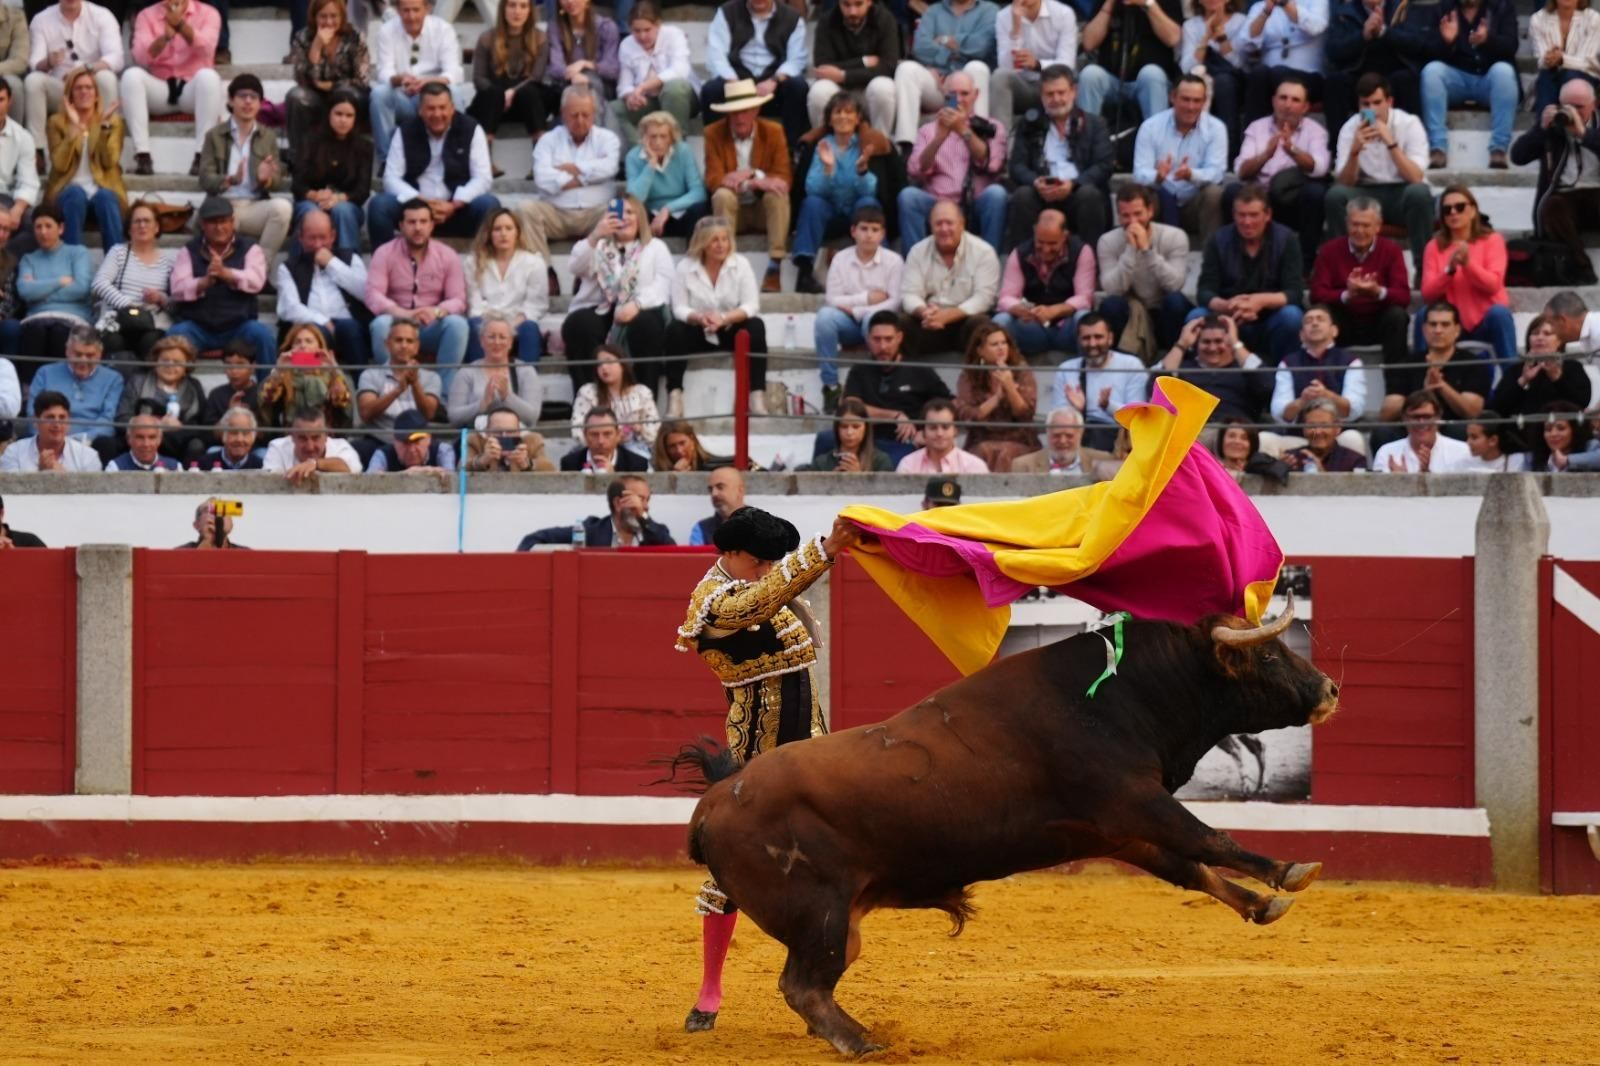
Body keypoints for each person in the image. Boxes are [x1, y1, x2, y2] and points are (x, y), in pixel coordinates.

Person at [673, 507, 862, 1034]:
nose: (767, 570)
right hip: (758, 749)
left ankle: (816, 988)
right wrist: (824, 551)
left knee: (835, 858)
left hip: (811, 742)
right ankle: (710, 991)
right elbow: (758, 600)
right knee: (732, 870)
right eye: (759, 561)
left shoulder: (762, 577)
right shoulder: (712, 600)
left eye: (772, 562)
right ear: (731, 553)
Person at [560, 195, 673, 396]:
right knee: (579, 324)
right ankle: (590, 400)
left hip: (640, 310)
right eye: (619, 213)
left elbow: (663, 284)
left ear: (640, 218)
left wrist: (637, 304)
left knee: (647, 325)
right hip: (602, 308)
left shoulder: (655, 247)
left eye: (630, 212)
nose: (624, 217)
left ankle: (643, 399)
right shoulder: (598, 245)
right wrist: (595, 236)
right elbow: (575, 267)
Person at [368, 83, 500, 249]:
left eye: (442, 108)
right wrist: (420, 201)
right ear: (420, 110)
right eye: (431, 108)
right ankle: (385, 262)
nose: (437, 114)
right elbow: (391, 179)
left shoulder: (471, 129)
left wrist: (455, 204)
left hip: (457, 210)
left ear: (452, 108)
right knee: (379, 205)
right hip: (414, 211)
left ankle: (485, 262)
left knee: (489, 204)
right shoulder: (405, 131)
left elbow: (483, 178)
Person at [1325, 72, 1432, 274]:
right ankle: (1341, 270)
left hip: (1401, 191)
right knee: (1335, 196)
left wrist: (1391, 143)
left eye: (1377, 103)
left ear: (1389, 102)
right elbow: (1344, 183)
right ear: (1359, 105)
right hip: (1365, 192)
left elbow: (1415, 177)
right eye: (1365, 104)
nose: (1371, 110)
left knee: (1419, 193)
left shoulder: (1409, 123)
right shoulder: (1350, 128)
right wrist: (1354, 152)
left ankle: (1424, 270)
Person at [1005, 64, 1115, 251]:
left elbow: (1104, 165)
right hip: (1042, 193)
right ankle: (1020, 262)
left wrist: (1073, 184)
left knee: (1089, 195)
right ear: (1041, 95)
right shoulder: (1029, 124)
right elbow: (1017, 166)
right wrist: (1035, 182)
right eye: (1050, 94)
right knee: (1022, 196)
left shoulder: (1095, 124)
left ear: (1073, 92)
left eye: (1061, 93)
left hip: (1078, 191)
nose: (1056, 99)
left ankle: (1090, 262)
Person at [668, 215, 768, 417]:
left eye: (725, 239)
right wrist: (699, 317)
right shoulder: (685, 267)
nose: (721, 245)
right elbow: (678, 307)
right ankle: (675, 395)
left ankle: (757, 394)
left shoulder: (741, 264)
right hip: (699, 329)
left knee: (756, 326)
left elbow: (751, 305)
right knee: (674, 330)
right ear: (702, 243)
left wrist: (724, 318)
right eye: (714, 240)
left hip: (730, 328)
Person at [520, 85, 622, 282]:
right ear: (563, 114)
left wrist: (571, 169)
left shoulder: (607, 139)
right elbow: (542, 179)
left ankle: (590, 275)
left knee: (617, 211)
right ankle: (544, 274)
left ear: (594, 114)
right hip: (556, 212)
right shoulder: (548, 140)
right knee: (525, 210)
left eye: (586, 115)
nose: (580, 120)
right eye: (574, 115)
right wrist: (589, 176)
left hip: (596, 212)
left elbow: (609, 168)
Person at [1228, 73, 1328, 272]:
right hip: (1260, 197)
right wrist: (1266, 155)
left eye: (1295, 100)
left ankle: (1305, 265)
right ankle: (1236, 263)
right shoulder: (1257, 127)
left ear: (1306, 107)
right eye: (1283, 98)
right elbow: (1241, 171)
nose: (1288, 105)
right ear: (1274, 101)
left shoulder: (1315, 131)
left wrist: (1293, 151)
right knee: (1231, 192)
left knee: (1315, 193)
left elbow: (1320, 168)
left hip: (1293, 200)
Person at [899, 69, 1008, 253]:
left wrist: (962, 130)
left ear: (976, 95)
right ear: (944, 94)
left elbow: (992, 164)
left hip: (975, 205)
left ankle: (991, 262)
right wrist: (939, 138)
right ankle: (914, 261)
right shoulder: (928, 130)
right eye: (953, 94)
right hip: (937, 205)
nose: (958, 99)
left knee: (997, 194)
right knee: (908, 196)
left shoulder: (992, 127)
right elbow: (915, 170)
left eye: (964, 93)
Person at [1193, 184, 1304, 362]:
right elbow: (1205, 291)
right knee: (1195, 317)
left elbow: (1294, 293)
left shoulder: (1286, 239)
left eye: (1253, 215)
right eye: (1241, 215)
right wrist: (1229, 305)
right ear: (1233, 215)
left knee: (1292, 316)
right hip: (1229, 316)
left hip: (1271, 317)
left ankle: (1284, 371)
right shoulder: (1218, 239)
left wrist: (1259, 301)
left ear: (1267, 215)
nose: (1247, 222)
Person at [365, 198, 469, 388]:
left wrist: (435, 311)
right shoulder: (384, 253)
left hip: (430, 324)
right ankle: (390, 388)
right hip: (397, 321)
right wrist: (405, 314)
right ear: (401, 226)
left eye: (423, 222)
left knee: (457, 325)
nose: (418, 228)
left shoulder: (447, 255)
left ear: (432, 225)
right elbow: (373, 295)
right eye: (412, 222)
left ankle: (444, 394)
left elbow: (458, 299)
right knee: (380, 325)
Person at [703, 79, 792, 295]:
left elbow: (783, 178)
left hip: (763, 210)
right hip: (732, 211)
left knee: (777, 194)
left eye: (744, 111)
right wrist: (753, 181)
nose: (739, 118)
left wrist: (751, 174)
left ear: (756, 110)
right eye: (734, 113)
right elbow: (714, 179)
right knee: (722, 195)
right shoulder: (713, 133)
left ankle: (775, 265)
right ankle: (725, 263)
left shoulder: (774, 131)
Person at [168, 195, 274, 371]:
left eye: (223, 221)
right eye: (212, 222)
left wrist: (226, 274)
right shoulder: (189, 250)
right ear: (202, 224)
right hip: (198, 327)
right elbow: (177, 289)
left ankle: (267, 387)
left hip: (238, 327)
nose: (219, 227)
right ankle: (176, 388)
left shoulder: (250, 248)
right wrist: (203, 283)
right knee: (175, 335)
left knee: (262, 335)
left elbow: (257, 281)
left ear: (232, 222)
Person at [1511, 79, 1600, 286]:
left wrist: (1584, 135)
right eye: (1567, 106)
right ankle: (1582, 267)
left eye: (1579, 107)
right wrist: (1541, 130)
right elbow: (1518, 156)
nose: (1573, 112)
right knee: (1552, 206)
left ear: (1594, 105)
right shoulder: (1552, 128)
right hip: (1565, 197)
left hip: (1597, 194)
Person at [792, 92, 882, 294]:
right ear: (830, 119)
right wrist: (828, 169)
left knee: (868, 204)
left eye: (849, 112)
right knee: (812, 203)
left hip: (856, 213)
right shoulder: (822, 145)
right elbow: (812, 189)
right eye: (838, 112)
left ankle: (877, 270)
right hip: (829, 214)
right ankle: (805, 271)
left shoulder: (865, 143)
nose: (843, 117)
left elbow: (872, 192)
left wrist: (862, 172)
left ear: (857, 119)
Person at [814, 205, 902, 411]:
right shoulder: (840, 258)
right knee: (824, 318)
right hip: (846, 322)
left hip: (873, 321)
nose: (869, 235)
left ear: (882, 234)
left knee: (875, 320)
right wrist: (867, 298)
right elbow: (832, 299)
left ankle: (874, 384)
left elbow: (895, 301)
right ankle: (831, 386)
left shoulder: (894, 261)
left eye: (874, 230)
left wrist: (858, 310)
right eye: (864, 229)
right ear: (853, 231)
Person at [1418, 184, 1515, 367]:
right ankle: (1421, 376)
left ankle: (1512, 377)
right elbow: (1428, 294)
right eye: (1447, 210)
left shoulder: (1492, 240)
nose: (1453, 213)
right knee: (1424, 314)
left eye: (1460, 207)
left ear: (1473, 211)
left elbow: (1493, 285)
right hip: (1450, 323)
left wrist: (1468, 265)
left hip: (1486, 321)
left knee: (1500, 314)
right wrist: (1449, 270)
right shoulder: (1434, 246)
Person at [122, 0, 222, 178]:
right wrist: (164, 39)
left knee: (209, 78)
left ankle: (202, 156)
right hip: (161, 88)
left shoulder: (208, 13)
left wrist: (182, 26)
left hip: (192, 89)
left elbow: (207, 50)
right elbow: (140, 57)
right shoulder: (146, 15)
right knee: (131, 76)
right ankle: (143, 155)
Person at [1308, 196, 1409, 369]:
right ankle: (1324, 376)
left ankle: (1396, 381)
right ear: (1347, 224)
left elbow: (1403, 296)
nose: (1360, 231)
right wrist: (1346, 295)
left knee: (1397, 316)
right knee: (1321, 313)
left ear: (1378, 226)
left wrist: (1378, 292)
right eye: (1355, 224)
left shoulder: (1392, 250)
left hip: (1378, 321)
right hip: (1343, 322)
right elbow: (1316, 294)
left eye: (1366, 225)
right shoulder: (1329, 250)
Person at [198, 74, 292, 260]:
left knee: (283, 208)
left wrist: (266, 180)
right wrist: (230, 180)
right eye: (242, 96)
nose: (248, 101)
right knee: (208, 218)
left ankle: (260, 268)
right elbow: (205, 178)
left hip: (253, 205)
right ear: (231, 101)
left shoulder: (268, 136)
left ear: (260, 103)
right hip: (222, 205)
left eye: (253, 97)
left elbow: (277, 179)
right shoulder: (214, 135)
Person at [841, 310, 953, 462]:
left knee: (892, 461)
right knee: (825, 441)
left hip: (903, 443)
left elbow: (947, 404)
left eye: (888, 339)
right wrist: (895, 416)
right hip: (863, 440)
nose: (883, 346)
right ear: (868, 339)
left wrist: (926, 432)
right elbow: (851, 407)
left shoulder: (919, 370)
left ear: (899, 338)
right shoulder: (859, 370)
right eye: (877, 339)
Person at [1419, 0, 1517, 171]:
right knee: (1431, 71)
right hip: (1456, 79)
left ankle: (1499, 148)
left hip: (1488, 79)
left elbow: (1511, 46)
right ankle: (1438, 148)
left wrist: (1488, 40)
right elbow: (1427, 51)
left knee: (1504, 72)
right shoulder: (1443, 9)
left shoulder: (1501, 7)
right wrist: (1446, 41)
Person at [1096, 183, 1189, 358]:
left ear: (1150, 211)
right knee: (1111, 305)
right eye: (1126, 215)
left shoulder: (1175, 236)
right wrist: (1130, 250)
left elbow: (1175, 284)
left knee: (1175, 301)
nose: (1133, 222)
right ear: (1118, 216)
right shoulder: (1107, 241)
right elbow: (1113, 290)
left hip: (1163, 312)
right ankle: (1119, 362)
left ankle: (1177, 359)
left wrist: (1148, 251)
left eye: (1138, 213)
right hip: (1132, 313)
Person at [1132, 74, 1227, 242]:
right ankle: (1143, 251)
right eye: (1185, 99)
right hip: (1160, 202)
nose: (1191, 107)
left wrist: (1192, 175)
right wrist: (1157, 176)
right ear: (1172, 97)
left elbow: (1217, 173)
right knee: (1141, 194)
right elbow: (1139, 173)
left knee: (1214, 193)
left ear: (1204, 102)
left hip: (1194, 204)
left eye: (1197, 101)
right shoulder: (1150, 127)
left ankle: (1211, 254)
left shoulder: (1216, 128)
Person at [702, 0, 810, 147]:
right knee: (711, 90)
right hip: (737, 80)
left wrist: (775, 80)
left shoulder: (792, 18)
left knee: (798, 87)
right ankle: (718, 150)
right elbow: (716, 55)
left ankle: (791, 150)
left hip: (774, 85)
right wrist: (733, 81)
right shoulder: (727, 13)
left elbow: (797, 59)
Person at [901, 200, 1001, 356]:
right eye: (938, 224)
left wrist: (949, 315)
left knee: (982, 325)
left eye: (949, 223)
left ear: (962, 224)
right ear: (931, 226)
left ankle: (978, 370)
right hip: (928, 321)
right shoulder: (917, 251)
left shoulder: (984, 252)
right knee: (898, 323)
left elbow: (984, 298)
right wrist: (924, 312)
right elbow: (909, 294)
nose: (944, 229)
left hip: (965, 319)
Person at [369, 0, 465, 162]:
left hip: (434, 96)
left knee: (454, 92)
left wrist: (428, 82)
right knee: (379, 94)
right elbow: (384, 71)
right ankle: (386, 159)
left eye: (416, 10)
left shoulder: (443, 29)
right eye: (406, 10)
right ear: (397, 10)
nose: (411, 16)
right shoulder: (387, 30)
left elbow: (453, 71)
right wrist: (400, 79)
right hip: (403, 97)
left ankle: (456, 155)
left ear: (427, 9)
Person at [24, 0, 122, 157]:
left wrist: (84, 70)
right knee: (33, 81)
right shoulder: (41, 19)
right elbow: (35, 63)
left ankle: (105, 145)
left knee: (107, 78)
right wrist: (48, 62)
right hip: (60, 89)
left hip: (91, 86)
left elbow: (116, 58)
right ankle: (37, 150)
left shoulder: (102, 15)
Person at [1379, 302, 1490, 439]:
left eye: (1445, 324)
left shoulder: (1473, 364)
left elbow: (1473, 412)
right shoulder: (1407, 363)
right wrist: (1423, 392)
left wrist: (1441, 386)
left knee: (1463, 431)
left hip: (1452, 430)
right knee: (1383, 433)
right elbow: (1386, 415)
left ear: (1457, 330)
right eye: (1433, 324)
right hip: (1413, 430)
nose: (1438, 330)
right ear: (1424, 329)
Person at [892, 0, 996, 147]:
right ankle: (906, 144)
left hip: (966, 87)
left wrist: (943, 40)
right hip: (937, 84)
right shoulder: (934, 11)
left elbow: (980, 47)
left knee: (977, 67)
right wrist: (956, 49)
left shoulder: (989, 11)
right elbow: (920, 48)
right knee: (906, 69)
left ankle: (979, 139)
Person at [276, 208, 370, 367]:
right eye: (311, 238)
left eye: (323, 237)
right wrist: (323, 321)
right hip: (312, 329)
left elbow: (366, 293)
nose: (318, 244)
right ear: (301, 238)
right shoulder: (288, 267)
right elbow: (289, 308)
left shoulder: (351, 258)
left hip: (348, 330)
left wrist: (332, 264)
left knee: (350, 328)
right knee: (309, 337)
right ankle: (316, 372)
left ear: (333, 236)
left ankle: (361, 379)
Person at [993, 209, 1094, 356]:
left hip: (1067, 327)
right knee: (1001, 320)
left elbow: (1085, 298)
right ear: (1035, 231)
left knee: (1084, 317)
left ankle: (1087, 368)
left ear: (1065, 235)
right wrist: (1021, 309)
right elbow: (1005, 298)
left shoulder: (1081, 251)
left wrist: (1054, 310)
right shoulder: (1020, 253)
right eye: (1040, 242)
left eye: (1052, 243)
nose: (1046, 249)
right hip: (1032, 327)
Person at [43, 65, 124, 248]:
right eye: (78, 88)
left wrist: (104, 127)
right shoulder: (56, 122)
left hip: (101, 189)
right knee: (75, 194)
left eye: (89, 87)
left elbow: (109, 161)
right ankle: (73, 260)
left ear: (97, 95)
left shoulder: (113, 121)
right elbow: (59, 165)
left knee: (106, 197)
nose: (84, 92)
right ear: (70, 95)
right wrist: (74, 128)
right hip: (67, 191)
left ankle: (117, 261)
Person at [1323, 0, 1425, 140]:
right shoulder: (1344, 12)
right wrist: (1362, 36)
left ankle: (1414, 144)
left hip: (1393, 77)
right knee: (1335, 82)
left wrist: (1384, 32)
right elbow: (1333, 50)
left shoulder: (1402, 7)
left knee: (1406, 79)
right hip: (1358, 77)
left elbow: (1417, 43)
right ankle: (1338, 148)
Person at [291, 88, 373, 258]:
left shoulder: (364, 147)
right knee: (310, 213)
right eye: (338, 114)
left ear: (355, 118)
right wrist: (316, 195)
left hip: (347, 204)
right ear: (328, 114)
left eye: (349, 115)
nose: (343, 120)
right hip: (312, 201)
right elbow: (297, 185)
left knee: (342, 211)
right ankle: (299, 267)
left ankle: (350, 267)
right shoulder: (310, 140)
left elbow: (362, 191)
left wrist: (337, 198)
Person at [285, 0, 370, 163]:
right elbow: (301, 78)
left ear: (342, 16)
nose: (329, 22)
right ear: (314, 17)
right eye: (323, 16)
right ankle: (298, 158)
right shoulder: (303, 37)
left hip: (348, 95)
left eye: (333, 16)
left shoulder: (354, 37)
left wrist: (332, 86)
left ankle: (347, 157)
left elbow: (362, 79)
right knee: (295, 97)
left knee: (344, 93)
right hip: (315, 95)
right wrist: (316, 47)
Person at [90, 201, 173, 364]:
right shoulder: (118, 252)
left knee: (153, 344)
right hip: (119, 320)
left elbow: (174, 303)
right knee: (114, 344)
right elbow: (99, 283)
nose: (142, 225)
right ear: (129, 229)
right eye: (137, 221)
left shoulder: (168, 262)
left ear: (157, 227)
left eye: (147, 221)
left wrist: (160, 298)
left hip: (152, 323)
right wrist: (128, 305)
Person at [1050, 311, 1147, 451]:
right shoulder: (1066, 369)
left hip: (1118, 439)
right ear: (1078, 340)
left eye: (1098, 337)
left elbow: (1137, 417)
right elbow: (1057, 418)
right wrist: (1076, 410)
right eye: (1086, 338)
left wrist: (1108, 405)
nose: (1092, 344)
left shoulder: (1131, 365)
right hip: (1079, 438)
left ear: (1110, 338)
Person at [1076, 0, 1183, 124]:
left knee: (1151, 74)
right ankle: (1086, 133)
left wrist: (1148, 4)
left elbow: (1173, 38)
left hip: (1149, 81)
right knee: (1090, 75)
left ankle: (1156, 134)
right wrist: (1108, 6)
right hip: (1113, 80)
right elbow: (1089, 43)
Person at [468, 0, 547, 165]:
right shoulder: (487, 38)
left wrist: (513, 92)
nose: (517, 12)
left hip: (527, 102)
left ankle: (541, 157)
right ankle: (485, 160)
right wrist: (501, 96)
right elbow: (479, 78)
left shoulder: (540, 38)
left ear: (530, 11)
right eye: (512, 5)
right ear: (503, 9)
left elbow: (536, 76)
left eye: (523, 6)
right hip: (496, 104)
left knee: (531, 91)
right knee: (491, 94)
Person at [465, 208, 546, 366]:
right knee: (474, 325)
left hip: (518, 321)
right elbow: (474, 304)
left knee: (530, 328)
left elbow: (536, 306)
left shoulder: (534, 263)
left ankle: (527, 377)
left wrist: (510, 326)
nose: (503, 234)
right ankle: (478, 376)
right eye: (497, 229)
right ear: (489, 234)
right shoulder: (473, 262)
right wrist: (493, 327)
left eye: (509, 228)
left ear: (517, 233)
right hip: (485, 320)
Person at [25, 322, 120, 456]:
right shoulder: (45, 373)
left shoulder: (113, 379)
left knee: (107, 444)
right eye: (78, 354)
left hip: (90, 442)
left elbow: (107, 420)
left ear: (99, 355)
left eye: (89, 355)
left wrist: (81, 440)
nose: (83, 361)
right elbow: (32, 413)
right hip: (49, 437)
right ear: (67, 351)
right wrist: (55, 439)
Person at [808, 0, 900, 134]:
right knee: (818, 91)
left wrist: (843, 75)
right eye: (846, 5)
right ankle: (824, 142)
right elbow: (823, 67)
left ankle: (880, 141)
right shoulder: (827, 20)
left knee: (883, 87)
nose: (852, 12)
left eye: (858, 4)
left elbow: (888, 66)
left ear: (869, 2)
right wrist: (864, 62)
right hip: (840, 89)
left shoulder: (884, 19)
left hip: (868, 88)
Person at [612, 2, 695, 146]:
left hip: (681, 99)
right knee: (613, 109)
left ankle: (676, 146)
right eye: (637, 31)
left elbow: (680, 69)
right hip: (648, 101)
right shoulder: (626, 45)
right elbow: (624, 84)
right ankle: (642, 150)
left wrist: (644, 86)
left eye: (647, 30)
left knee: (674, 88)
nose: (642, 36)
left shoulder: (673, 35)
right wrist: (631, 96)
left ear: (658, 25)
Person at [113, 333, 206, 463]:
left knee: (195, 444)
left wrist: (179, 427)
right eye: (165, 360)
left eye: (177, 362)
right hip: (142, 439)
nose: (170, 365)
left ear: (186, 366)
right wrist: (155, 425)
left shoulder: (193, 387)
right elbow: (122, 418)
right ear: (155, 361)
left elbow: (201, 425)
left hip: (178, 441)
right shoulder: (138, 382)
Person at [357, 318, 442, 458]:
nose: (404, 345)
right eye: (398, 340)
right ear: (387, 344)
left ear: (417, 346)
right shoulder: (370, 374)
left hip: (416, 442)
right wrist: (397, 391)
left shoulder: (431, 377)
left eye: (409, 341)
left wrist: (415, 383)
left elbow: (429, 414)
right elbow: (366, 413)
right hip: (380, 440)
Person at [17, 203, 92, 362]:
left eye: (48, 226)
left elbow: (81, 288)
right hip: (37, 317)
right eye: (38, 227)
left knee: (59, 333)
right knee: (34, 332)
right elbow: (25, 291)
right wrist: (60, 281)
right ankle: (30, 379)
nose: (43, 232)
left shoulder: (77, 253)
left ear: (61, 228)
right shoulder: (28, 259)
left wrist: (40, 292)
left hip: (72, 317)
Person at [1160, 314, 1270, 421]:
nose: (1212, 348)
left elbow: (1267, 387)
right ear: (1196, 344)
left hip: (1235, 429)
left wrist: (1235, 343)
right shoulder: (1183, 367)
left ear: (1229, 341)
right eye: (1206, 342)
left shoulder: (1244, 368)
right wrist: (1182, 343)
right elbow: (1157, 390)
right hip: (1194, 430)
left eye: (1218, 341)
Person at [1270, 304, 1365, 426]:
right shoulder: (1288, 363)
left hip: (1339, 433)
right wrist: (1303, 401)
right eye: (1308, 321)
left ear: (1334, 331)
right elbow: (1280, 413)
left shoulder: (1351, 361)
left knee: (1353, 437)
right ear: (1301, 335)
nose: (1314, 323)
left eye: (1320, 319)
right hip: (1299, 433)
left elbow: (1355, 409)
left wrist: (1327, 395)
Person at [992, 0, 1081, 130]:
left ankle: (1072, 134)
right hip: (1023, 87)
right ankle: (1001, 139)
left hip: (1054, 86)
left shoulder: (1063, 13)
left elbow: (1067, 64)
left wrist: (1037, 64)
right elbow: (1005, 67)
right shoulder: (1003, 17)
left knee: (1069, 82)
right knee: (999, 77)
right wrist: (1016, 29)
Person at [1488, 312, 1594, 419]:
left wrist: (1557, 377)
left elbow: (1582, 402)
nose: (1540, 338)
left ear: (1559, 341)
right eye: (1535, 333)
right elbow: (1497, 409)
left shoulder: (1572, 367)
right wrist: (1523, 380)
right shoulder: (1516, 370)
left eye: (1547, 334)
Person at [518, 474, 673, 546]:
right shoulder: (591, 531)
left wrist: (643, 517)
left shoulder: (654, 532)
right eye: (639, 500)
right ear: (618, 503)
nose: (645, 507)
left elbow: (673, 551)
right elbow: (532, 539)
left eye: (647, 500)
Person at [448, 312, 542, 428]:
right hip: (478, 436)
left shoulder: (526, 371)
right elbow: (454, 417)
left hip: (514, 436)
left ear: (510, 342)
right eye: (491, 337)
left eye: (502, 337)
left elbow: (532, 417)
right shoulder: (466, 373)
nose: (497, 342)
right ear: (481, 340)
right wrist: (482, 404)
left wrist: (507, 396)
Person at [1239, 0, 1327, 124]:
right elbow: (1246, 45)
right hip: (1269, 77)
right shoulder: (1260, 6)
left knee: (1278, 72)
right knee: (1258, 73)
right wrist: (1265, 13)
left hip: (1309, 77)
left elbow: (1315, 27)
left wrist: (1285, 4)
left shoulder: (1316, 2)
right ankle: (1252, 133)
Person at [626, 111, 709, 241]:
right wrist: (651, 164)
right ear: (644, 138)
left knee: (699, 209)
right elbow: (634, 199)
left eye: (663, 136)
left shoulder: (683, 151)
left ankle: (694, 253)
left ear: (671, 138)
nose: (658, 142)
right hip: (651, 215)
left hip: (681, 212)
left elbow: (698, 192)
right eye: (653, 136)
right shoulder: (633, 157)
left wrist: (667, 209)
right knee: (631, 213)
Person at [1179, 0, 1248, 157]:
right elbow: (1186, 67)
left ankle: (1230, 153)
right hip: (1202, 78)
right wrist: (1206, 37)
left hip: (1234, 82)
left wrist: (1221, 37)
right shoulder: (1190, 25)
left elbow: (1240, 64)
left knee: (1224, 83)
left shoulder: (1241, 21)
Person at [258, 323, 356, 431]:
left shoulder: (332, 373)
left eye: (309, 341)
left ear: (319, 346)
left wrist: (335, 372)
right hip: (291, 433)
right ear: (291, 347)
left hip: (326, 434)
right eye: (297, 342)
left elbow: (343, 405)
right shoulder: (283, 374)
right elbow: (267, 401)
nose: (303, 346)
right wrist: (278, 371)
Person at [569, 344, 658, 461]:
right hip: (597, 447)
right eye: (599, 364)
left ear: (623, 364)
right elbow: (577, 430)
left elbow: (655, 431)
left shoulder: (642, 393)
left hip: (635, 446)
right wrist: (608, 438)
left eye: (609, 362)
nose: (604, 368)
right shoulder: (588, 392)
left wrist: (640, 429)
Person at [543, 0, 620, 126]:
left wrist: (586, 64)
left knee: (590, 81)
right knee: (581, 86)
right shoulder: (555, 28)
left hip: (602, 87)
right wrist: (574, 76)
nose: (570, 1)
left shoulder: (606, 27)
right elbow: (555, 67)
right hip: (567, 85)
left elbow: (612, 69)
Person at [1372, 389, 1472, 472]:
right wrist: (1401, 481)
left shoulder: (1462, 452)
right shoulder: (1386, 453)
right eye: (1415, 417)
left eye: (1427, 417)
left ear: (1438, 417)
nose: (1421, 422)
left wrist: (1424, 477)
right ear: (1404, 418)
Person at [1529, 0, 1600, 117]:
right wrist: (1549, 58)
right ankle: (1545, 124)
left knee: (1570, 76)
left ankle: (1574, 123)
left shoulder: (1594, 19)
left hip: (1585, 75)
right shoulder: (1538, 19)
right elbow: (1541, 60)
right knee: (1546, 77)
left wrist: (1562, 59)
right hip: (1550, 74)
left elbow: (1588, 62)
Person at [0, 389, 99, 469]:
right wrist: (41, 475)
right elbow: (10, 488)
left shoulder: (87, 456)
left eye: (62, 417)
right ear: (35, 421)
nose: (57, 424)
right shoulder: (14, 452)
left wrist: (64, 478)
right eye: (50, 417)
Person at [263, 405, 360, 483]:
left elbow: (351, 468)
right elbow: (269, 482)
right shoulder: (278, 448)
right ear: (292, 436)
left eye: (315, 438)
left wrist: (315, 464)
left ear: (326, 435)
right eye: (302, 438)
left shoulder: (341, 447)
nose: (310, 447)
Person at [798, 395, 895, 470]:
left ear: (866, 428)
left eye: (856, 427)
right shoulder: (821, 463)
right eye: (844, 426)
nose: (849, 432)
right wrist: (831, 480)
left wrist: (859, 478)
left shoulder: (881, 462)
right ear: (837, 428)